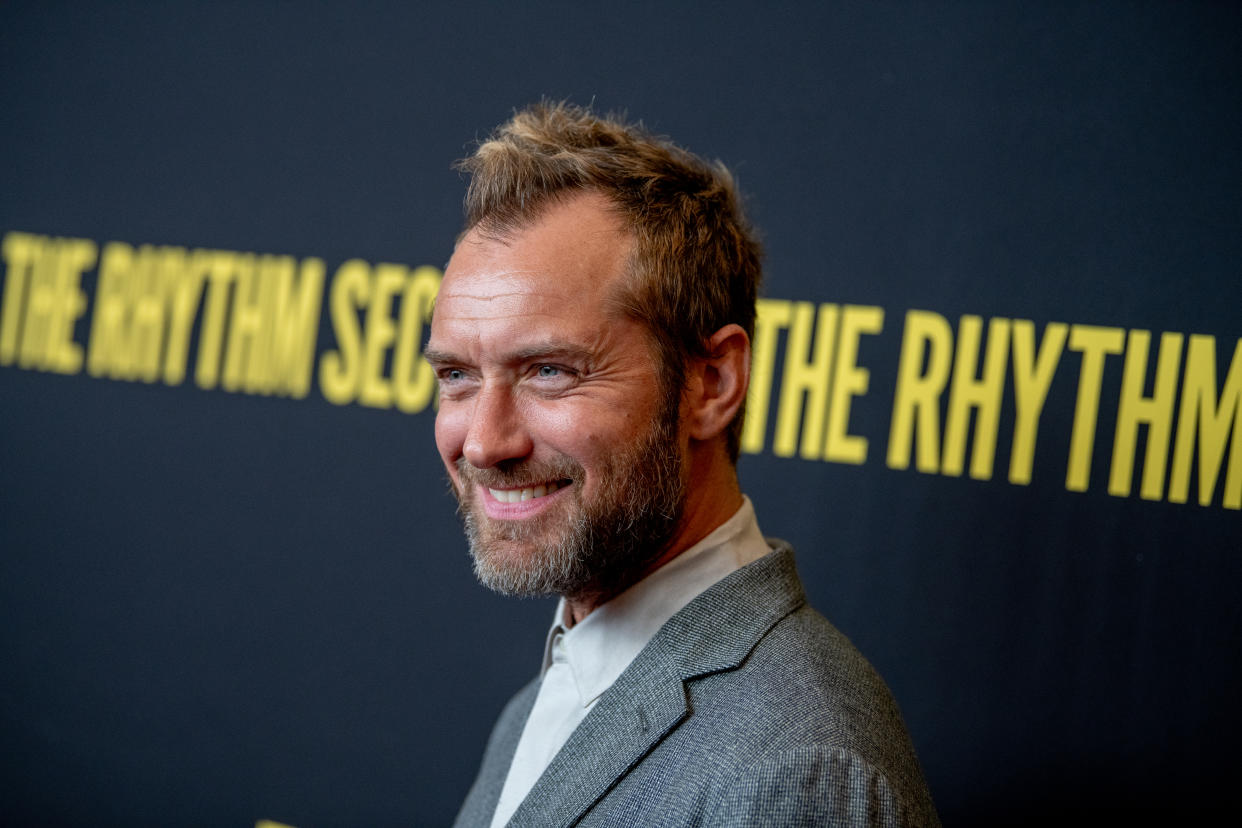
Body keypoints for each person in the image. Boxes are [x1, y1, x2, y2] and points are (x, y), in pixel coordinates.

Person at [425, 101, 940, 827]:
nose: (483, 443)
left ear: (712, 384)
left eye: (549, 371)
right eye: (457, 376)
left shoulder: (798, 772)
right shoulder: (558, 688)